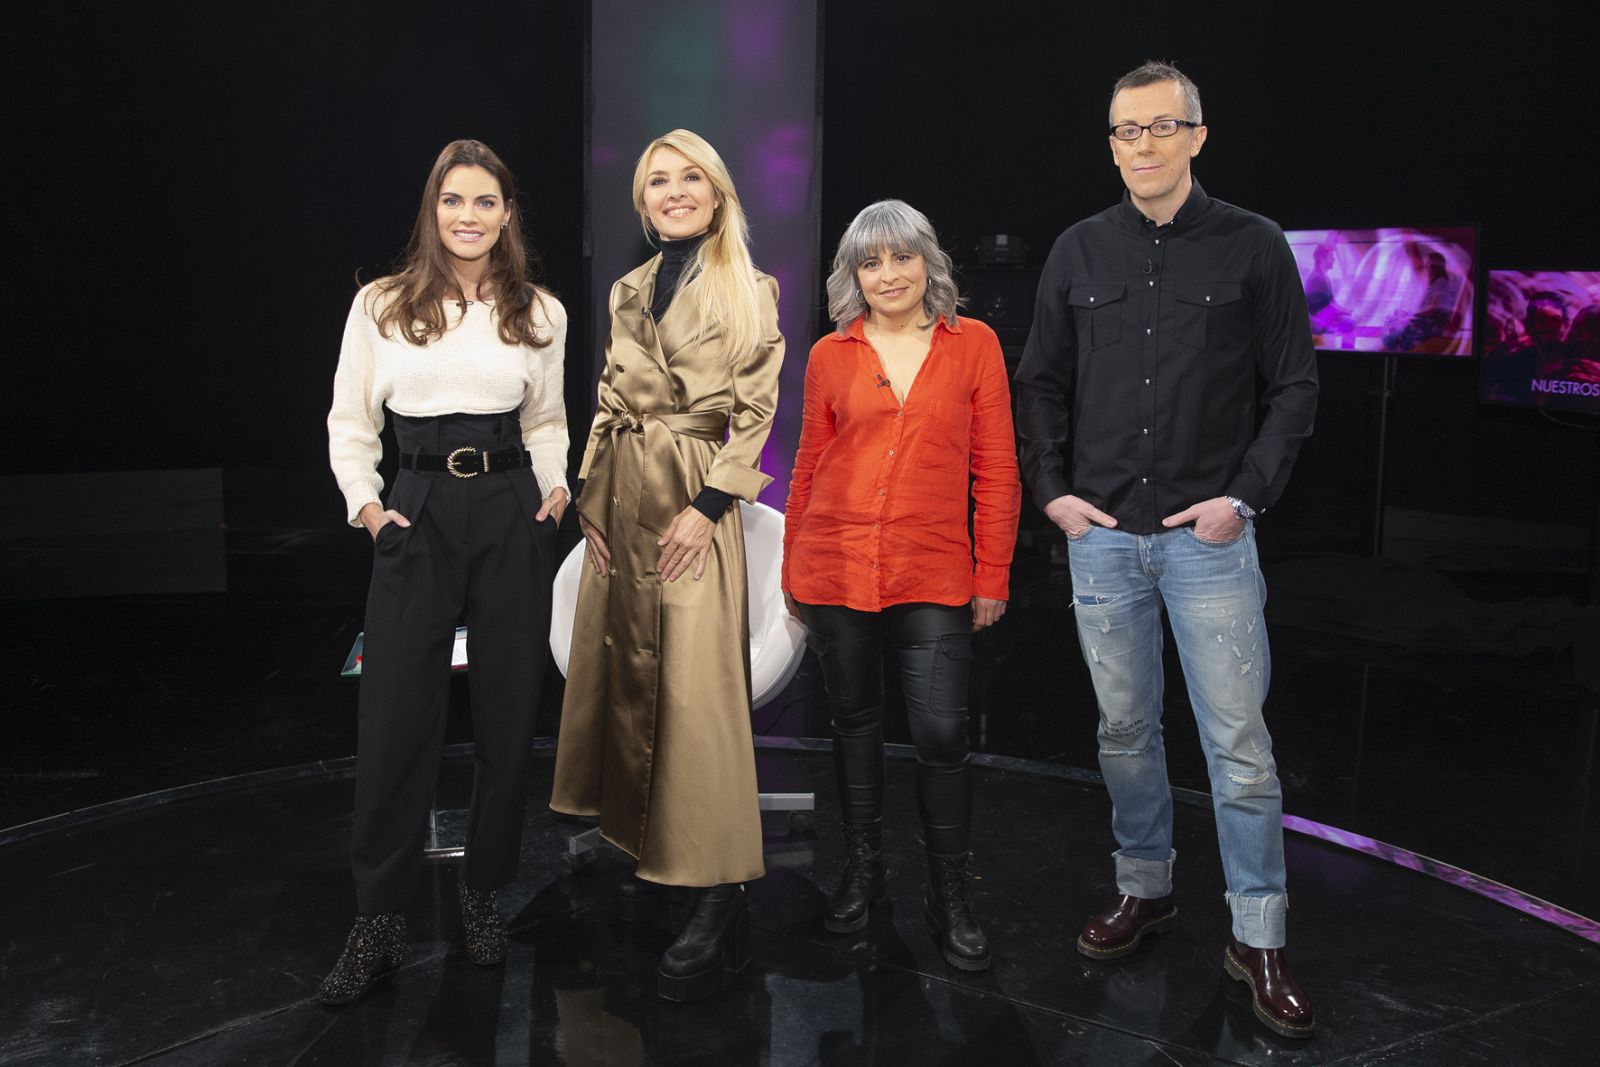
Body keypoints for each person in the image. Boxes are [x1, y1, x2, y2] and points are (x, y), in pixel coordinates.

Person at [1013, 61, 1319, 1038]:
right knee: (1123, 731)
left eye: (1161, 126)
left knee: (1239, 746)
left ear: (1197, 135)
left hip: (1208, 541)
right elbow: (1040, 382)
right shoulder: (1078, 249)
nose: (1143, 144)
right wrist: (1051, 492)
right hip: (1104, 539)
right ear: (1111, 146)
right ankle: (1144, 888)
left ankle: (1258, 936)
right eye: (1126, 130)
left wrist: (1244, 497)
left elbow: (1295, 386)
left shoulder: (1253, 244)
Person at [322, 139, 570, 1003]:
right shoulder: (381, 304)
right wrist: (368, 506)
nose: (469, 216)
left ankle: (481, 892)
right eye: (453, 200)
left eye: (485, 201)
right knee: (395, 716)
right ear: (433, 210)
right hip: (417, 504)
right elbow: (349, 422)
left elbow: (547, 421)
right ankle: (378, 917)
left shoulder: (540, 311)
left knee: (508, 713)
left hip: (510, 509)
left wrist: (554, 491)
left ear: (507, 214)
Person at [550, 129, 784, 1002]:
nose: (675, 191)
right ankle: (648, 847)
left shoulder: (749, 286)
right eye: (658, 181)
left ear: (718, 194)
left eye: (691, 178)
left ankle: (718, 886)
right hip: (619, 495)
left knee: (696, 696)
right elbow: (608, 400)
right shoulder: (629, 288)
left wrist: (710, 505)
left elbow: (756, 411)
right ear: (643, 202)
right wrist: (588, 494)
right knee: (627, 677)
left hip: (694, 497)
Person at [782, 200, 1020, 972]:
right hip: (836, 563)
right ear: (853, 275)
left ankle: (950, 894)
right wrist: (792, 564)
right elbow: (808, 463)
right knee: (853, 725)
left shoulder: (974, 344)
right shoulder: (830, 354)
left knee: (942, 735)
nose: (888, 274)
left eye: (902, 256)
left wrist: (992, 573)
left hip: (934, 568)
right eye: (871, 261)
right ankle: (863, 871)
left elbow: (998, 468)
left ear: (929, 261)